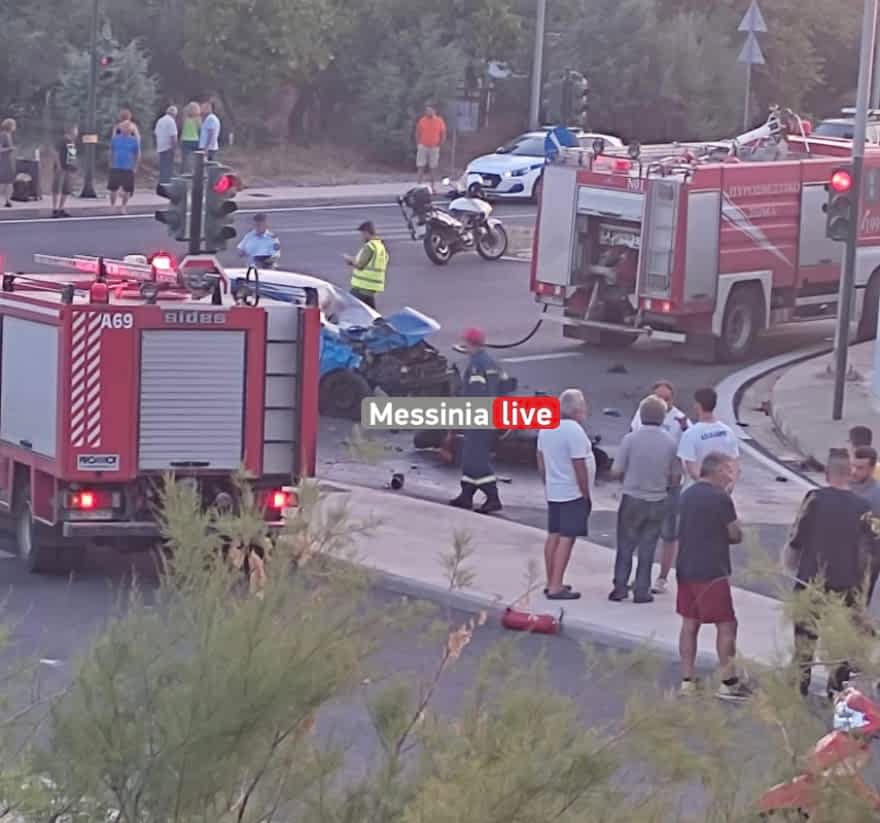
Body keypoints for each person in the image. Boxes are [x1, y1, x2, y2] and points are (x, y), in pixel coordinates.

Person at [786, 448, 877, 699]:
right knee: (840, 641)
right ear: (850, 474)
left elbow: (796, 537)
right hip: (846, 584)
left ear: (827, 473)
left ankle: (799, 684)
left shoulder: (814, 498)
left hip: (811, 579)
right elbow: (870, 549)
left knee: (805, 638)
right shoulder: (863, 507)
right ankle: (836, 687)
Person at [676, 452, 752, 701]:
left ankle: (687, 680)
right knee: (727, 624)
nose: (732, 474)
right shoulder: (720, 498)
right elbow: (735, 534)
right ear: (718, 471)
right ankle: (728, 681)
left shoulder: (687, 494)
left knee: (690, 623)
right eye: (728, 470)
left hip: (686, 566)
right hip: (711, 570)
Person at [610, 396, 681, 604]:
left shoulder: (630, 439)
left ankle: (620, 587)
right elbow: (676, 476)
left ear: (641, 416)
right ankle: (642, 590)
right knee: (648, 547)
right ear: (662, 417)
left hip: (632, 497)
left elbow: (616, 470)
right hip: (657, 498)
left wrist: (627, 479)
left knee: (625, 545)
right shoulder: (670, 443)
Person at [630, 379, 689, 595]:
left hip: (669, 487)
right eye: (659, 398)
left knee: (669, 534)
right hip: (644, 484)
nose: (663, 402)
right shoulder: (643, 413)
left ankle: (662, 578)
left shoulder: (681, 420)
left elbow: (686, 452)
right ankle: (640, 576)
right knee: (642, 532)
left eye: (667, 399)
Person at [536, 388, 594, 600]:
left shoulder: (547, 427)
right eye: (584, 404)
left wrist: (548, 484)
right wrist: (585, 492)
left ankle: (551, 580)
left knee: (554, 534)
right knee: (567, 538)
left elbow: (541, 461)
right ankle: (556, 586)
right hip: (572, 493)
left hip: (554, 491)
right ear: (577, 409)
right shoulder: (574, 431)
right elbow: (579, 464)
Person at [448, 328, 508, 515]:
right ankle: (466, 494)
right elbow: (505, 387)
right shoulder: (491, 363)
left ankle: (493, 497)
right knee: (469, 457)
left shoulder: (476, 365)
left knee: (476, 459)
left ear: (469, 343)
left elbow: (474, 394)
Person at [676, 387, 739, 489]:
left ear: (697, 405)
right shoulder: (728, 431)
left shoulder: (690, 434)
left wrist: (709, 487)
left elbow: (692, 470)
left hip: (697, 492)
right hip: (722, 491)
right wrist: (729, 487)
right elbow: (735, 463)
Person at [851, 445, 880, 601]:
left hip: (864, 565)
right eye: (853, 466)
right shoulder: (844, 487)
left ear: (872, 469)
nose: (854, 471)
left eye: (860, 468)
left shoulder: (877, 496)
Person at [343, 221, 388, 309]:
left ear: (367, 233)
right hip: (372, 287)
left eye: (362, 234)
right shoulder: (380, 246)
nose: (361, 236)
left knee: (349, 307)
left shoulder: (369, 246)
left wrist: (350, 260)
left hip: (362, 286)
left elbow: (360, 265)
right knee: (370, 311)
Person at [107, 121, 140, 215]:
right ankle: (112, 206)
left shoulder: (134, 140)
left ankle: (123, 207)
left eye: (128, 128)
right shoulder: (115, 139)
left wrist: (135, 166)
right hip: (116, 166)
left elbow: (137, 154)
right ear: (121, 129)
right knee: (113, 188)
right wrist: (110, 163)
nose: (126, 129)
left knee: (127, 189)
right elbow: (111, 151)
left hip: (128, 167)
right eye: (124, 127)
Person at [415, 104, 447, 188]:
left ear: (434, 111)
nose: (428, 112)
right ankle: (418, 185)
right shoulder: (422, 120)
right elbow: (417, 132)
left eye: (430, 110)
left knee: (433, 167)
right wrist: (419, 143)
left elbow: (443, 133)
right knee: (420, 166)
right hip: (423, 146)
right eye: (427, 110)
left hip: (434, 147)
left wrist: (439, 144)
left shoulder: (439, 121)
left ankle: (432, 186)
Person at [52, 124, 78, 219]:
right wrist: (58, 165)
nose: (77, 132)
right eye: (75, 130)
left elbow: (71, 156)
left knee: (66, 189)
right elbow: (56, 152)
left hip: (68, 167)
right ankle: (55, 209)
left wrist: (73, 166)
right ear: (71, 130)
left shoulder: (71, 141)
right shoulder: (63, 140)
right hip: (61, 167)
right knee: (57, 187)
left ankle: (61, 208)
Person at [154, 105, 178, 184]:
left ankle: (161, 183)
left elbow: (156, 133)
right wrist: (174, 148)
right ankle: (167, 185)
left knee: (162, 168)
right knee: (168, 169)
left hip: (160, 147)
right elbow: (174, 136)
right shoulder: (171, 121)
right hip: (168, 147)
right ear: (174, 114)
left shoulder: (160, 120)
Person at [180, 102, 201, 172]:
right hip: (195, 140)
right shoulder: (198, 120)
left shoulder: (185, 119)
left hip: (185, 140)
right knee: (195, 159)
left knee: (185, 159)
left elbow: (183, 129)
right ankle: (195, 172)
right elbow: (199, 130)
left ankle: (186, 172)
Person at [0, 118, 15, 208]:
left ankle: (8, 201)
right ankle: (7, 200)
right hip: (3, 162)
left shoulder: (9, 135)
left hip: (8, 162)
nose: (14, 127)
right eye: (13, 125)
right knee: (3, 182)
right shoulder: (3, 135)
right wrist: (10, 148)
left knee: (8, 182)